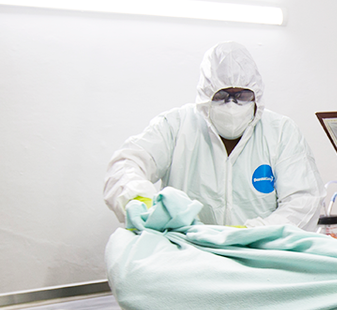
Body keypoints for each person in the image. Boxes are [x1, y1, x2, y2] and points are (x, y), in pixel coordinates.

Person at [104, 42, 324, 229]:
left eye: (242, 95)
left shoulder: (281, 132)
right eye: (221, 95)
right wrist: (141, 200)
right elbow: (126, 163)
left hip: (261, 258)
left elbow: (303, 200)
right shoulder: (176, 126)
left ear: (257, 96)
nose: (231, 104)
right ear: (205, 95)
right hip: (190, 254)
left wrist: (254, 234)